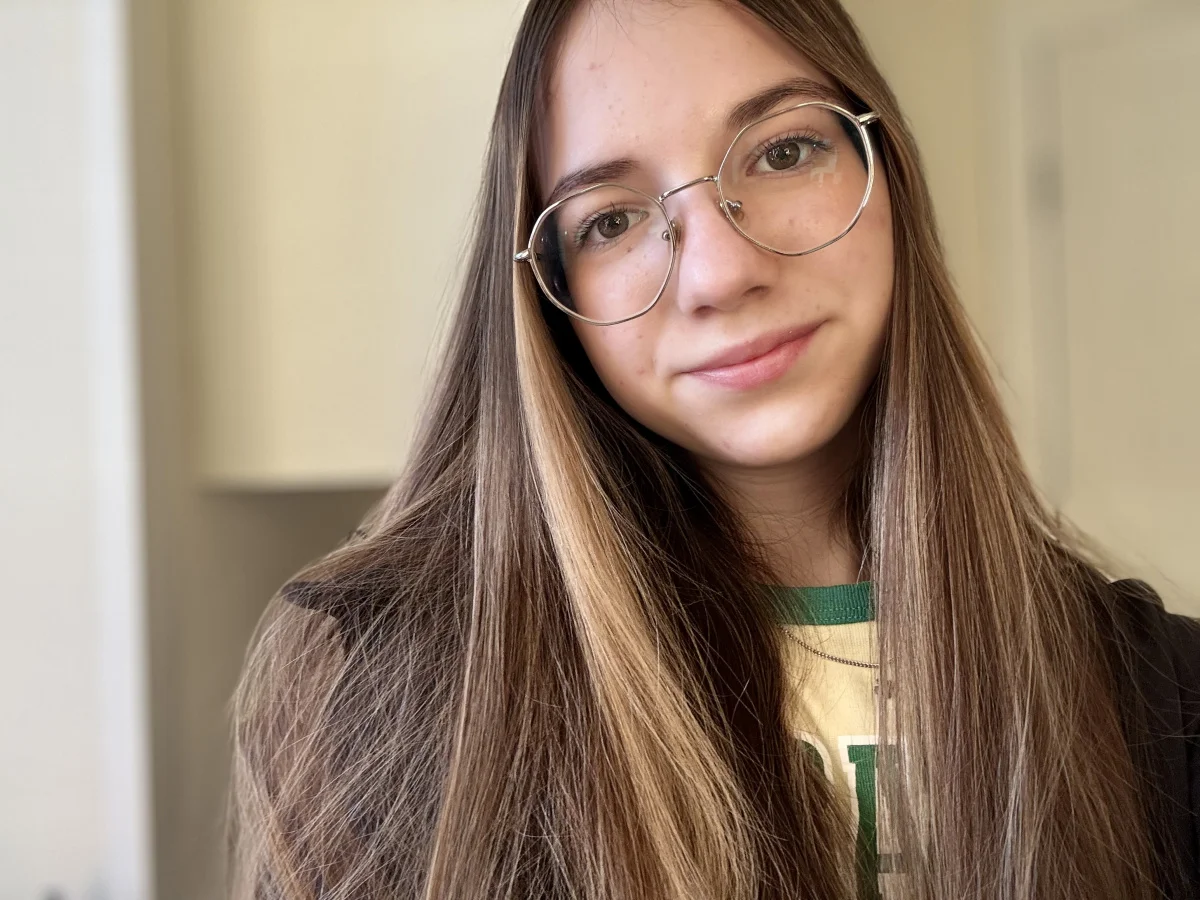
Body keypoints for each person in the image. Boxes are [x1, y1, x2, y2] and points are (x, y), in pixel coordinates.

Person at [226, 1, 1200, 898]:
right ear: (547, 297)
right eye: (611, 220)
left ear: (886, 168)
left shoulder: (1162, 701)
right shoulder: (391, 689)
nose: (721, 273)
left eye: (782, 152)